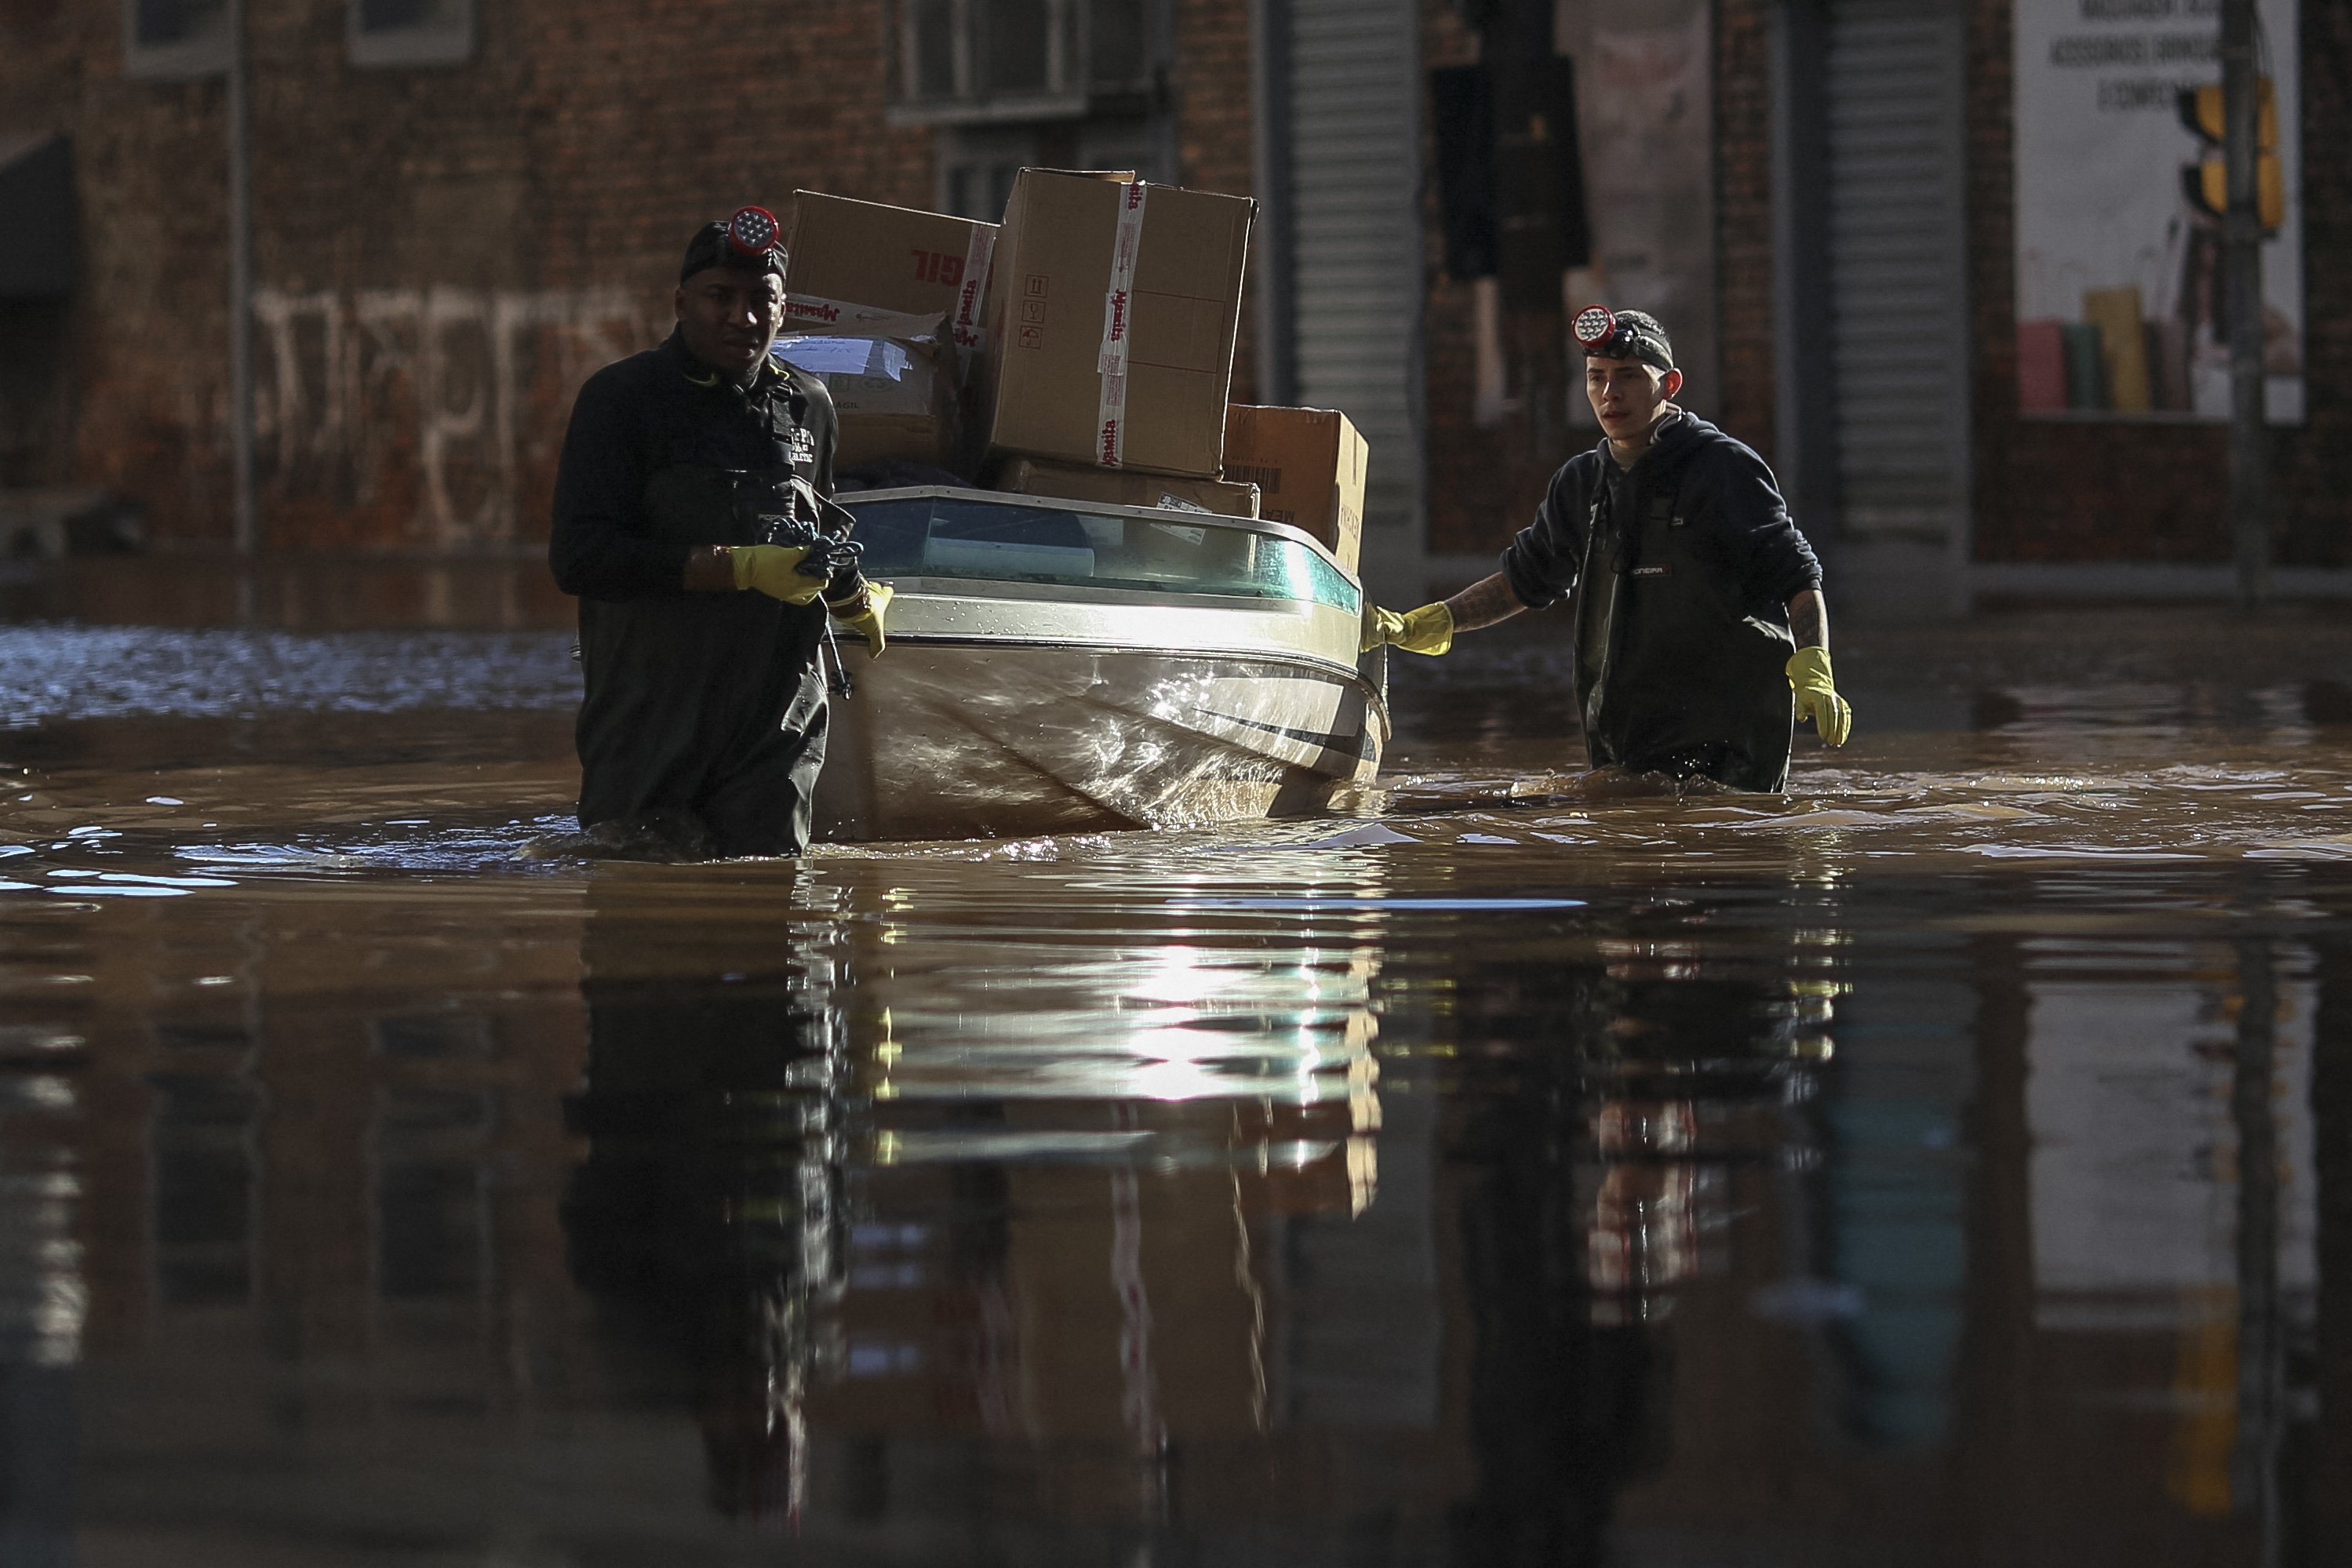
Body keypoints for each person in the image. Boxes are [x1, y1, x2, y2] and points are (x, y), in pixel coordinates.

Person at [1364, 307, 1849, 792]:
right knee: (1623, 842)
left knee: (1717, 840)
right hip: (1627, 729)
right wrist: (1429, 622)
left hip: (1732, 732)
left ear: (1670, 385)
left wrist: (1816, 667)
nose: (1610, 394)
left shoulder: (1723, 468)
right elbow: (1525, 580)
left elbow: (1797, 577)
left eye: (1629, 377)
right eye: (1597, 378)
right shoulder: (1582, 482)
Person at [548, 208, 891, 857]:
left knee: (778, 918)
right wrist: (732, 566)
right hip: (650, 718)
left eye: (762, 299)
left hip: (776, 721)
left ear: (784, 307)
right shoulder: (623, 399)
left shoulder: (808, 405)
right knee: (640, 910)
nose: (744, 317)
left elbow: (817, 529)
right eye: (720, 297)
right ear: (681, 303)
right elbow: (579, 559)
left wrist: (850, 591)